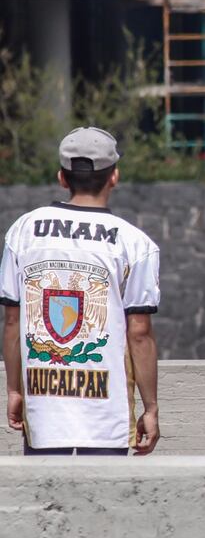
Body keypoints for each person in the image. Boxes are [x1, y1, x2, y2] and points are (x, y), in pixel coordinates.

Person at [1, 127, 161, 456]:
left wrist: (14, 388)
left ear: (62, 177)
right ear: (114, 176)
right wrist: (151, 408)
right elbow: (140, 332)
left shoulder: (23, 231)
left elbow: (13, 322)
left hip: (43, 411)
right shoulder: (134, 243)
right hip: (108, 416)